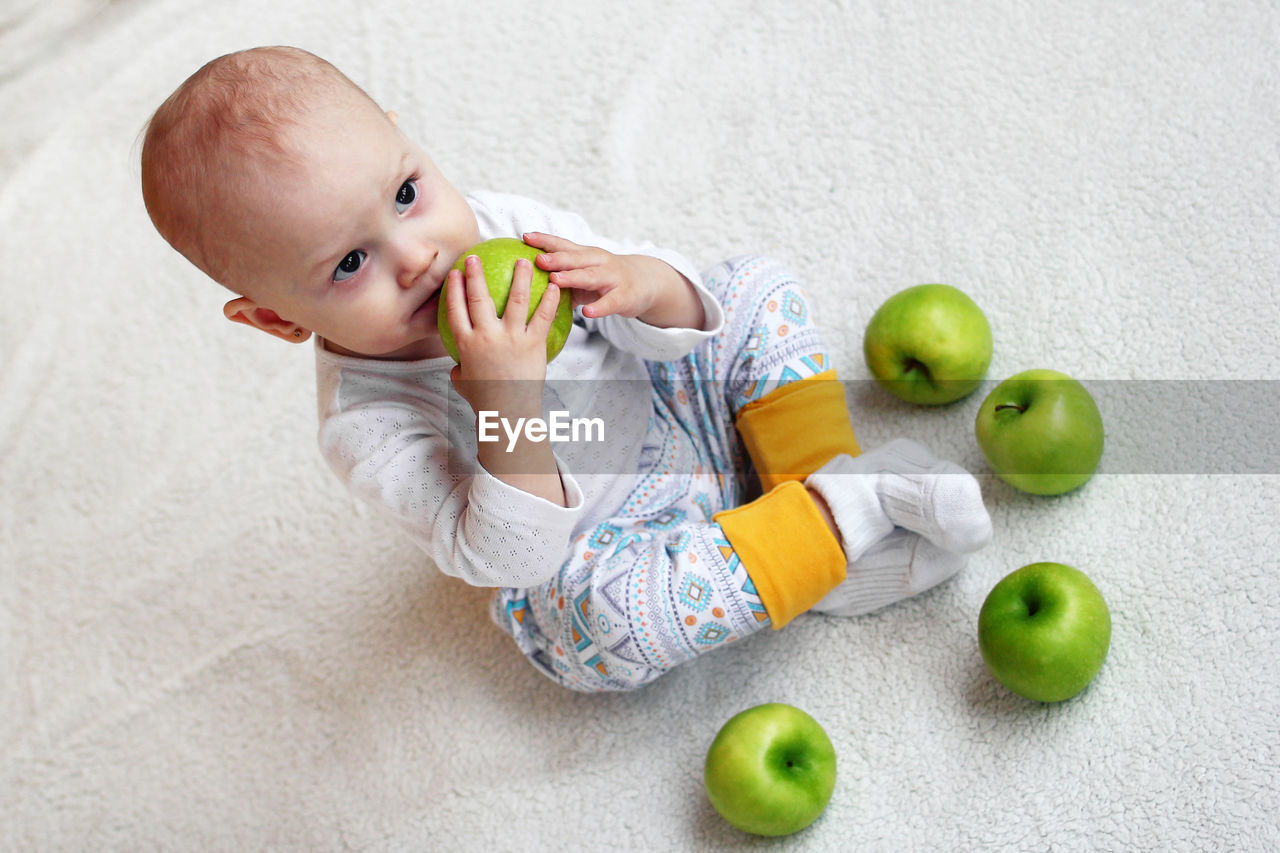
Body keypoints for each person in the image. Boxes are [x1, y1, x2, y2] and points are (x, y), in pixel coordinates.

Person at [140, 46, 993, 692]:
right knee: (603, 628)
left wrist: (644, 287)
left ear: (406, 138)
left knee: (748, 286)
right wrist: (505, 399)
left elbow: (683, 327)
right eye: (349, 263)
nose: (421, 255)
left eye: (405, 195)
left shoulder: (498, 222)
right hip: (606, 541)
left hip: (672, 405)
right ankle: (837, 522)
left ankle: (812, 486)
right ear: (278, 320)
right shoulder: (366, 425)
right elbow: (507, 555)